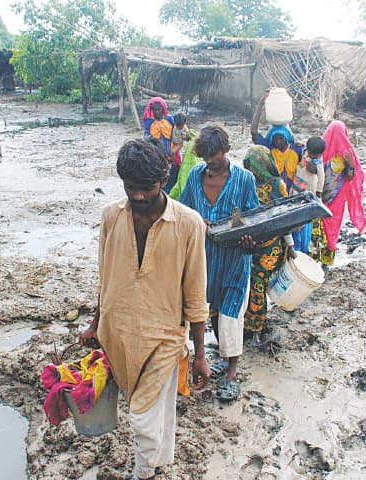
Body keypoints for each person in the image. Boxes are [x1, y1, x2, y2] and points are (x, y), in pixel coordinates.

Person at [79, 139, 210, 480]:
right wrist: (95, 324)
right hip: (118, 333)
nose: (137, 196)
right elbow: (104, 276)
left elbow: (196, 295)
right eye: (130, 188)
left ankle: (143, 474)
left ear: (164, 180)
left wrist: (199, 355)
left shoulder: (189, 224)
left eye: (145, 189)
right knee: (151, 411)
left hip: (164, 337)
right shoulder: (111, 216)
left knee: (141, 418)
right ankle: (157, 458)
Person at [179, 124, 260, 401]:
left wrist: (246, 236)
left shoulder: (244, 179)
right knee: (203, 307)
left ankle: (230, 373)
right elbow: (183, 209)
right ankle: (205, 354)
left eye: (213, 156)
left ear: (226, 150)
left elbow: (252, 217)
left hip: (235, 258)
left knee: (231, 313)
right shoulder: (194, 177)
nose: (209, 163)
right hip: (202, 258)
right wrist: (196, 221)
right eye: (205, 158)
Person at [242, 145, 297, 346]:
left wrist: (290, 246)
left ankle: (255, 326)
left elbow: (284, 218)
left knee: (258, 282)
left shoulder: (277, 185)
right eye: (249, 167)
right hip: (250, 243)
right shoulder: (245, 183)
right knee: (252, 283)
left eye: (255, 167)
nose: (253, 172)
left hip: (271, 246)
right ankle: (254, 321)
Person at [250, 90, 309, 251]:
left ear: (287, 138)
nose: (279, 142)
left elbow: (311, 163)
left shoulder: (297, 150)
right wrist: (260, 105)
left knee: (294, 227)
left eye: (282, 138)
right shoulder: (269, 149)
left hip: (292, 192)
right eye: (276, 139)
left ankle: (296, 252)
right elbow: (254, 133)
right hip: (274, 194)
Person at [309, 120, 366, 266]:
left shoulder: (347, 152)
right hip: (319, 194)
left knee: (332, 227)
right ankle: (314, 257)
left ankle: (326, 261)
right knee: (316, 226)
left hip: (337, 197)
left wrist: (351, 165)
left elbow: (350, 177)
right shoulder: (320, 148)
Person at [142, 97, 176, 192]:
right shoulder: (149, 121)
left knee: (171, 173)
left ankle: (169, 192)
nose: (157, 112)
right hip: (155, 152)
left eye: (159, 109)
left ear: (163, 109)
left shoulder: (170, 119)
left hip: (170, 152)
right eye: (154, 110)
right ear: (151, 110)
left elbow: (176, 133)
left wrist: (174, 151)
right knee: (157, 172)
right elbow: (146, 136)